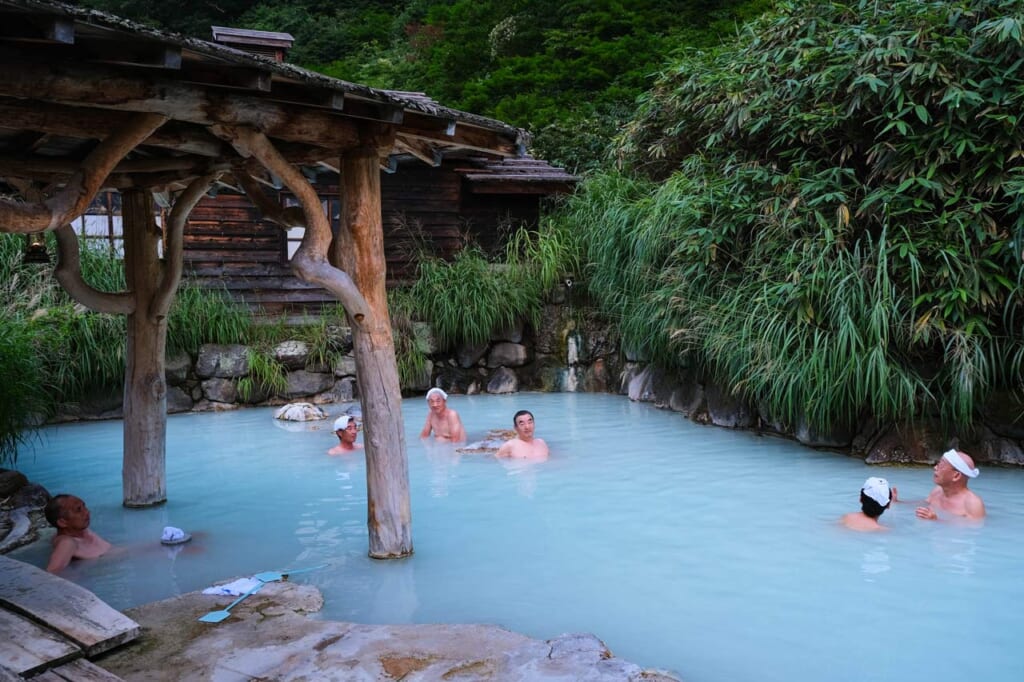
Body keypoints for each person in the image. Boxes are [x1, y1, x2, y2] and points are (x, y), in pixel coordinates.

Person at [44, 494, 112, 573]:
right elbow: (51, 574)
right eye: (78, 509)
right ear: (62, 522)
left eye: (84, 506)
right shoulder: (67, 543)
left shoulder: (81, 531)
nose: (87, 512)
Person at [913, 449, 986, 521]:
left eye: (941, 465)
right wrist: (901, 503)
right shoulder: (937, 491)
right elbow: (924, 504)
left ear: (956, 476)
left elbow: (972, 529)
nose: (935, 468)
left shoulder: (973, 504)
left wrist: (937, 521)